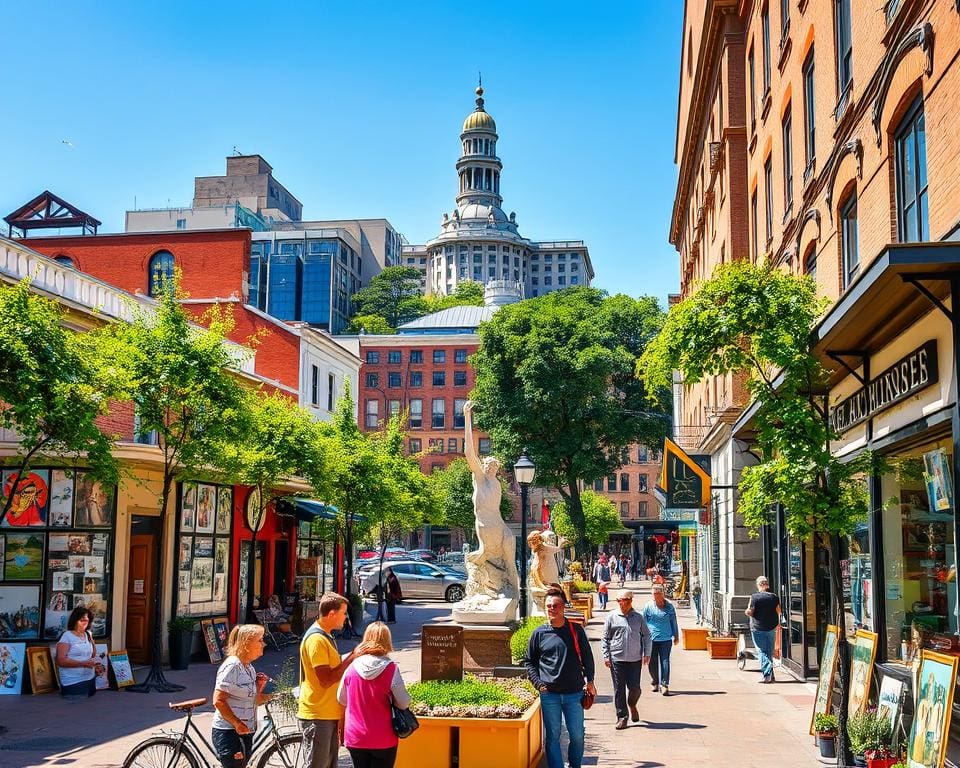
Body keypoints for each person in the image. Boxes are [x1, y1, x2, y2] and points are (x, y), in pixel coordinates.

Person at [299, 593, 377, 768]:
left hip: (327, 713)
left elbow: (334, 668)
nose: (346, 617)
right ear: (332, 614)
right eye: (343, 612)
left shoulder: (326, 636)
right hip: (318, 714)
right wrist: (353, 657)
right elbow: (326, 679)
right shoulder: (317, 639)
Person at [526, 589, 597, 768]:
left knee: (577, 735)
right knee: (553, 736)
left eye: (555, 606)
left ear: (563, 607)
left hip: (574, 694)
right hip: (550, 695)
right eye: (548, 606)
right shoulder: (539, 633)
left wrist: (590, 681)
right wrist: (538, 683)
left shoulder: (576, 630)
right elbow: (529, 662)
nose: (552, 609)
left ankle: (575, 765)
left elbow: (587, 657)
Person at [337, 622, 411, 768]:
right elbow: (403, 703)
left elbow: (341, 698)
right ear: (387, 641)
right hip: (383, 737)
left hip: (355, 736)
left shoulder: (351, 667)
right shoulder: (391, 669)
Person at [211, 625, 273, 768]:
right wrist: (236, 723)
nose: (263, 643)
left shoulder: (248, 667)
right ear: (246, 644)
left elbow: (252, 699)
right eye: (260, 640)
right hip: (229, 732)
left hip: (244, 730)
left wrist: (263, 689)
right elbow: (218, 700)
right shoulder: (232, 666)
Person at [602, 590, 651, 730]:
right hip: (616, 658)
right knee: (619, 689)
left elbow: (647, 636)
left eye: (625, 601)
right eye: (620, 601)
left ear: (630, 601)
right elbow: (605, 638)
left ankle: (632, 704)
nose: (622, 604)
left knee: (635, 688)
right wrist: (606, 655)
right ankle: (622, 717)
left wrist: (647, 653)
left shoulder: (638, 617)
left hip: (635, 659)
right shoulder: (611, 616)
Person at [642, 584, 679, 695]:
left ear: (662, 594)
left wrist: (676, 636)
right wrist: (641, 637)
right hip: (651, 639)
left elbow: (673, 621)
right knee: (652, 662)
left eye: (658, 593)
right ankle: (655, 682)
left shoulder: (669, 607)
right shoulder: (648, 606)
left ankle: (664, 684)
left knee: (665, 661)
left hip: (666, 638)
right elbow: (643, 622)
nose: (656, 596)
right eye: (654, 594)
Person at [745, 575, 782, 684]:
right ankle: (771, 674)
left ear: (759, 585)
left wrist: (746, 612)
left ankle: (766, 675)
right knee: (769, 652)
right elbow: (779, 611)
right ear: (767, 584)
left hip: (757, 627)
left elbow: (750, 611)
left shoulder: (754, 597)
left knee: (761, 651)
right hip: (771, 627)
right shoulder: (774, 597)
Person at [55, 606, 98, 698]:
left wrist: (91, 640)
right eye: (82, 620)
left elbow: (93, 654)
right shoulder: (67, 636)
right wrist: (83, 663)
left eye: (87, 620)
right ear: (75, 620)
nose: (85, 623)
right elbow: (61, 661)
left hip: (89, 679)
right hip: (73, 680)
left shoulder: (88, 634)